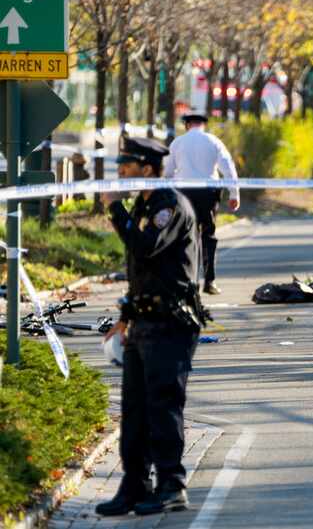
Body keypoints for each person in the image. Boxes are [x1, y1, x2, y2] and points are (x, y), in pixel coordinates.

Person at [97, 137, 206, 517]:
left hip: (170, 322)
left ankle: (171, 485)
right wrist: (125, 317)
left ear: (146, 168)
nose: (119, 171)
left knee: (163, 405)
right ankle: (134, 485)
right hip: (144, 320)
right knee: (135, 410)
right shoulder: (145, 203)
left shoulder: (169, 205)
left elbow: (145, 247)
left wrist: (115, 212)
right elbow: (141, 271)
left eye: (125, 164)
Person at [164, 111, 240, 295]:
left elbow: (167, 172)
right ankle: (210, 281)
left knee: (185, 236)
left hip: (184, 194)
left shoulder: (178, 143)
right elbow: (228, 168)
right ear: (203, 124)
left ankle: (189, 281)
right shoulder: (213, 141)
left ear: (187, 125)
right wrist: (234, 193)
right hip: (208, 193)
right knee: (208, 236)